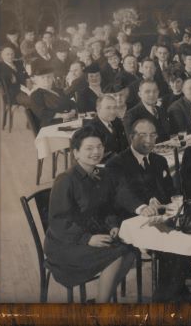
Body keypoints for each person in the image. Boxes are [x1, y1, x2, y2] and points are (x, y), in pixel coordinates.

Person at [44, 127, 137, 303]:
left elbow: (107, 208)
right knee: (116, 255)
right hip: (65, 243)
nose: (96, 152)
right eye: (89, 148)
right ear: (76, 153)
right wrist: (87, 238)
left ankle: (101, 299)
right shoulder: (65, 180)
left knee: (130, 252)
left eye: (99, 147)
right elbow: (58, 222)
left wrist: (112, 226)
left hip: (91, 235)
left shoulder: (102, 174)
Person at [107, 119, 191, 302]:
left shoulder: (159, 160)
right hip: (130, 220)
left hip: (159, 217)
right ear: (131, 137)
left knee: (188, 237)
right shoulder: (117, 163)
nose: (149, 139)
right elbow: (122, 193)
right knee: (174, 245)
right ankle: (164, 300)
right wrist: (143, 206)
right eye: (143, 134)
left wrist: (162, 201)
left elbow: (171, 191)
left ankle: (174, 292)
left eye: (153, 135)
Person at [28, 59, 77, 127]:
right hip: (51, 125)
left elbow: (70, 102)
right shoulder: (35, 95)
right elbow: (42, 113)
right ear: (35, 80)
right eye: (42, 78)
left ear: (52, 77)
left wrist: (73, 111)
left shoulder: (58, 90)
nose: (46, 80)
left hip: (67, 121)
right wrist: (62, 115)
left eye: (49, 77)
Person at [85, 94, 127, 159]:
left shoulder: (117, 122)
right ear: (98, 109)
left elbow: (124, 143)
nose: (113, 111)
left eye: (115, 107)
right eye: (108, 108)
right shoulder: (91, 128)